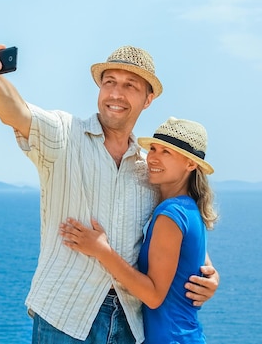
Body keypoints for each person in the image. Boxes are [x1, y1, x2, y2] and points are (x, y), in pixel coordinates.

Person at [0, 43, 219, 344]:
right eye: (109, 82)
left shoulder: (148, 167)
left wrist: (208, 270)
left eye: (130, 85)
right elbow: (16, 113)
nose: (115, 93)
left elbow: (176, 222)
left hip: (129, 324)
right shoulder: (64, 134)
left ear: (148, 99)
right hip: (65, 316)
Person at [60, 117, 217, 343]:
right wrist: (213, 277)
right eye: (153, 148)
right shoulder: (188, 209)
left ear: (190, 164)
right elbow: (200, 263)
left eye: (167, 152)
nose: (153, 157)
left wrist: (101, 250)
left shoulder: (170, 215)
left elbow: (153, 296)